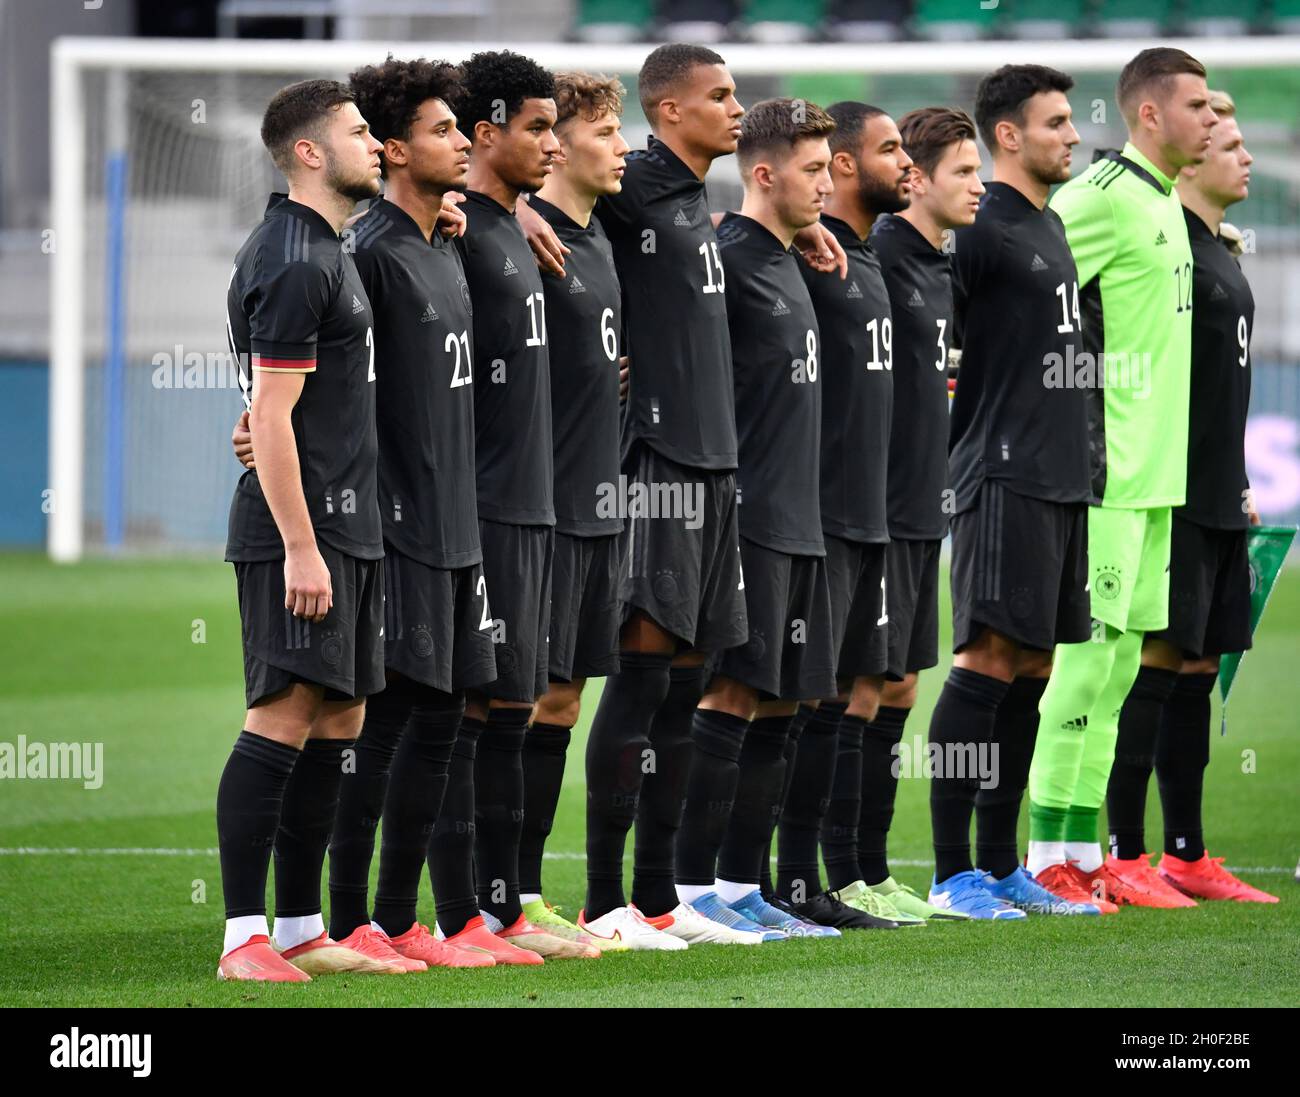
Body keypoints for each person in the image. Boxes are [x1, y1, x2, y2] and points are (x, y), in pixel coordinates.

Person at [1025, 47, 1219, 908]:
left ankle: (1085, 848)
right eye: (1200, 107)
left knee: (1119, 666)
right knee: (1083, 659)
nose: (1213, 121)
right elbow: (1030, 307)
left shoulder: (1167, 204)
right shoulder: (1096, 199)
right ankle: (1042, 854)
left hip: (1157, 475)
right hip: (1105, 468)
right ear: (1150, 115)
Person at [217, 79, 389, 981]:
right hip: (303, 531)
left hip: (347, 526)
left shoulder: (330, 247)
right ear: (311, 152)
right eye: (361, 132)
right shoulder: (293, 256)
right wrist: (300, 545)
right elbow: (272, 416)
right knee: (282, 714)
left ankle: (299, 927)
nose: (377, 143)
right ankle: (243, 937)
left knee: (340, 717)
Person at [932, 65, 1101, 917]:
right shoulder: (982, 227)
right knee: (986, 660)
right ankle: (951, 870)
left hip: (1059, 479)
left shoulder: (1049, 224)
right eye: (1057, 122)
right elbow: (931, 324)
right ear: (1008, 134)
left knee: (1032, 666)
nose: (1073, 135)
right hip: (1000, 473)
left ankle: (1002, 867)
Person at [1104, 89, 1278, 905]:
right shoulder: (1163, 241)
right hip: (1163, 488)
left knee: (1199, 666)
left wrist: (1235, 476)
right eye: (1227, 141)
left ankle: (1186, 852)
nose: (1241, 153)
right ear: (1191, 161)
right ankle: (1124, 850)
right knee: (1151, 663)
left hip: (1215, 489)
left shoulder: (1220, 250)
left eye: (1242, 139)